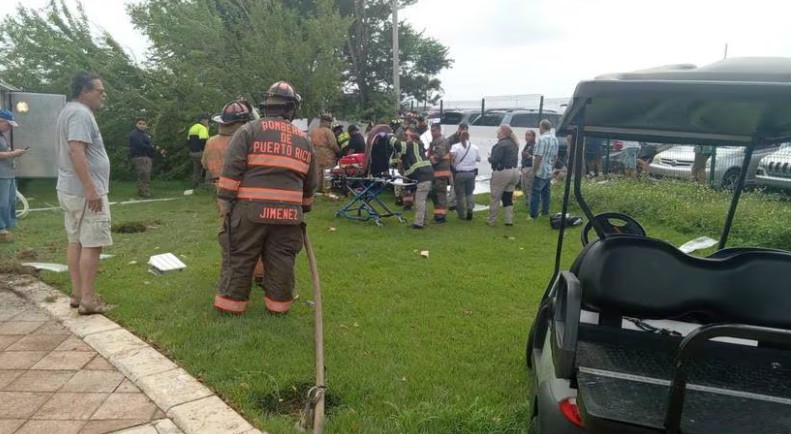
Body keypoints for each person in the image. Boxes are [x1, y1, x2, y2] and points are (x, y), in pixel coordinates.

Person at [213, 81, 318, 315]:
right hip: (289, 215)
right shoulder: (304, 140)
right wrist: (304, 208)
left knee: (239, 256)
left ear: (267, 106)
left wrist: (226, 203)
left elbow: (232, 170)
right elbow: (310, 183)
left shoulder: (249, 131)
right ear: (291, 109)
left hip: (249, 212)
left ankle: (230, 308)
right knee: (282, 261)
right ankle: (278, 308)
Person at [55, 71, 113, 315]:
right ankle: (89, 300)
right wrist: (91, 189)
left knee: (76, 241)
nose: (103, 95)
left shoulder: (69, 111)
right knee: (92, 244)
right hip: (85, 191)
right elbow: (76, 151)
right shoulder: (80, 114)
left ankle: (78, 295)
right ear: (84, 91)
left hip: (70, 188)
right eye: (99, 91)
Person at [386, 127, 434, 229]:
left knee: (419, 200)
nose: (404, 137)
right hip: (426, 174)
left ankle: (418, 224)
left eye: (406, 135)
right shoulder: (417, 145)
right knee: (421, 199)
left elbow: (397, 145)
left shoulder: (410, 145)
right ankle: (423, 220)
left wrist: (389, 135)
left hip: (423, 175)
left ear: (412, 137)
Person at [0, 109, 26, 243]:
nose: (9, 127)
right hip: (1, 175)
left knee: (10, 200)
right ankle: (1, 228)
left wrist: (12, 153)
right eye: (8, 124)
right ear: (1, 120)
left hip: (8, 173)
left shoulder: (2, 135)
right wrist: (12, 154)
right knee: (2, 202)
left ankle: (10, 224)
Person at [487, 124, 520, 226]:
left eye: (498, 131)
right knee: (507, 197)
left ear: (503, 133)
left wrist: (489, 158)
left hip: (503, 172)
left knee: (495, 196)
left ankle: (492, 220)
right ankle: (508, 220)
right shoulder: (514, 143)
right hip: (514, 172)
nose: (497, 133)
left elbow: (495, 159)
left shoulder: (500, 145)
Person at [530, 119, 559, 219]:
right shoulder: (555, 139)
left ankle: (533, 215)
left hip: (540, 170)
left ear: (542, 127)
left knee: (535, 193)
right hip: (548, 169)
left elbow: (538, 156)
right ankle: (545, 211)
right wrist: (551, 168)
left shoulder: (542, 139)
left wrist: (533, 170)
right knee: (546, 193)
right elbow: (555, 156)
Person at [450, 130, 480, 220]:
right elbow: (478, 159)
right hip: (471, 173)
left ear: (459, 137)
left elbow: (451, 157)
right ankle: (470, 209)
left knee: (460, 195)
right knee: (469, 193)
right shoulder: (474, 147)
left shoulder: (455, 147)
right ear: (468, 137)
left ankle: (462, 214)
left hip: (460, 174)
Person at [427, 123, 450, 223]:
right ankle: (438, 214)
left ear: (439, 130)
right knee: (435, 194)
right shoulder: (435, 141)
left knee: (440, 195)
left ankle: (441, 216)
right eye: (431, 131)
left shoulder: (441, 141)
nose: (432, 133)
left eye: (434, 130)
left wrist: (429, 160)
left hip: (440, 173)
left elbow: (438, 156)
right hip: (435, 173)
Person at [310, 112, 339, 192]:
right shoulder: (328, 131)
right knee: (327, 171)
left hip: (316, 153)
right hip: (327, 154)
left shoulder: (314, 131)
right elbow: (333, 144)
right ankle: (326, 190)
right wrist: (338, 151)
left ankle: (316, 189)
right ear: (327, 122)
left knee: (317, 172)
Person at [127, 117, 154, 197]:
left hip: (146, 157)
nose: (142, 125)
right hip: (139, 157)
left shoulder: (146, 134)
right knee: (144, 174)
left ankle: (143, 191)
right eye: (140, 123)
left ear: (146, 125)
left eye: (143, 124)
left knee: (145, 175)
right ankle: (144, 192)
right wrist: (151, 146)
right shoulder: (134, 134)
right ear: (136, 124)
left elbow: (150, 144)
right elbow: (140, 145)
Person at [188, 113, 210, 187]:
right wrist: (206, 152)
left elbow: (188, 141)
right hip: (201, 152)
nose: (208, 122)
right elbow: (203, 141)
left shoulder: (192, 127)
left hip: (192, 153)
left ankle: (195, 185)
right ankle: (207, 185)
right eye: (207, 120)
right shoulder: (202, 128)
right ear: (203, 120)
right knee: (208, 167)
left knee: (196, 169)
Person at [520, 130, 537, 207]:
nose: (526, 137)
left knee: (529, 187)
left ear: (533, 137)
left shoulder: (535, 146)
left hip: (530, 168)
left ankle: (532, 205)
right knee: (523, 187)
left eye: (529, 135)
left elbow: (536, 158)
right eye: (526, 135)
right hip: (524, 167)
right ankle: (527, 202)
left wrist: (529, 156)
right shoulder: (527, 145)